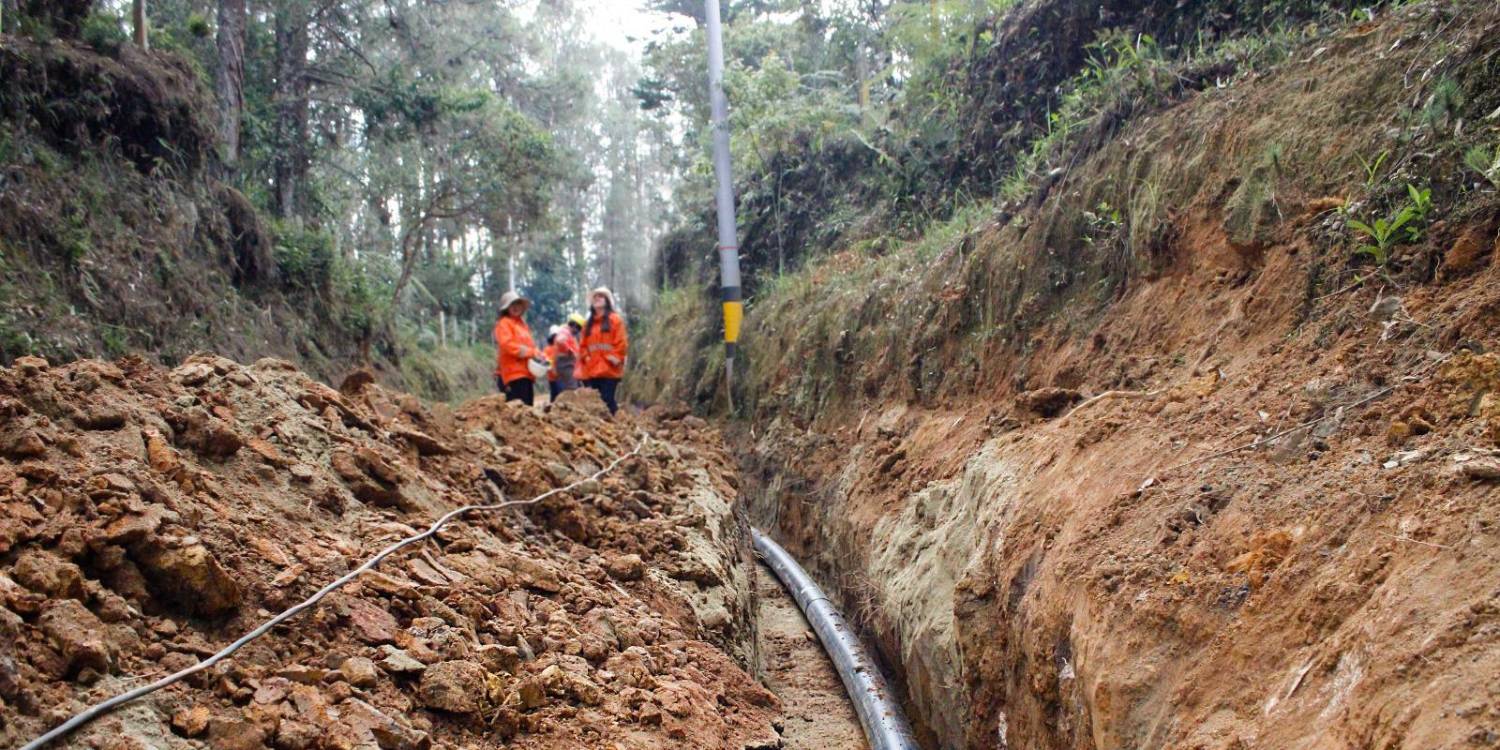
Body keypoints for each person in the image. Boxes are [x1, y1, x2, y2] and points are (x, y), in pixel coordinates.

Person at [579, 286, 628, 415]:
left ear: (607, 301)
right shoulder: (587, 324)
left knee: (607, 401)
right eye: (595, 297)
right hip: (591, 371)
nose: (597, 298)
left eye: (600, 296)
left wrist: (615, 358)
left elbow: (621, 342)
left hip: (609, 370)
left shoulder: (615, 320)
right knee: (595, 404)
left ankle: (618, 423)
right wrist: (586, 358)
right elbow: (582, 346)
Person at [492, 291, 546, 406]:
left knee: (528, 408)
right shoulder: (504, 323)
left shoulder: (523, 326)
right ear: (506, 308)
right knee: (518, 410)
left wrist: (538, 354)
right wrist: (530, 352)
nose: (515, 307)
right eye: (512, 304)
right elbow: (507, 345)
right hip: (513, 375)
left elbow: (531, 346)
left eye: (517, 304)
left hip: (526, 374)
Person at [544, 324, 580, 401]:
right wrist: (552, 367)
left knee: (561, 393)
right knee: (556, 395)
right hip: (553, 377)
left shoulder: (560, 347)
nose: (555, 338)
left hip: (558, 376)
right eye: (554, 336)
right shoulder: (548, 349)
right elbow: (547, 360)